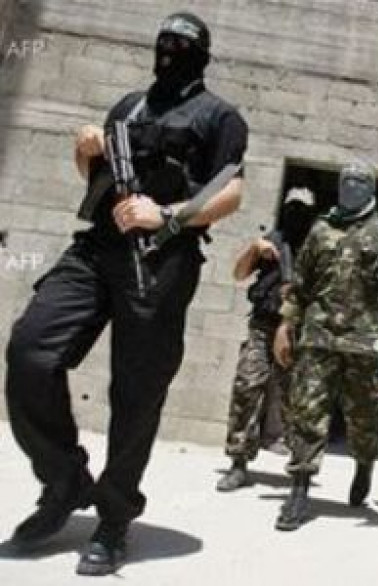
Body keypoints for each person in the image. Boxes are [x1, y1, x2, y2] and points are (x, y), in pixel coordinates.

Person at [5, 12, 248, 575]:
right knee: (30, 350)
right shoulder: (129, 107)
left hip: (161, 260)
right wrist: (85, 148)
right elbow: (94, 180)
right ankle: (64, 482)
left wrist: (167, 214)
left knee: (136, 395)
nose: (169, 52)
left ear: (201, 55)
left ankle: (114, 519)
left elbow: (231, 190)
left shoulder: (220, 117)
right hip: (96, 250)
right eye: (163, 42)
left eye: (181, 45)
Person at [272, 161, 378, 531]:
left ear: (371, 187)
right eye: (346, 181)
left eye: (359, 181)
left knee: (363, 416)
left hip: (363, 340)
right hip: (318, 335)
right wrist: (285, 326)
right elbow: (300, 283)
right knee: (308, 410)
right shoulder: (321, 228)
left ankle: (364, 464)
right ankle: (299, 488)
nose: (351, 186)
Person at [216, 188, 316, 492]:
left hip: (299, 332)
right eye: (292, 208)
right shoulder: (272, 240)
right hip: (262, 327)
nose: (296, 215)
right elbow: (238, 274)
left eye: (302, 210)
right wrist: (254, 249)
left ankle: (301, 467)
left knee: (298, 399)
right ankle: (238, 462)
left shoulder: (317, 247)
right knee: (247, 386)